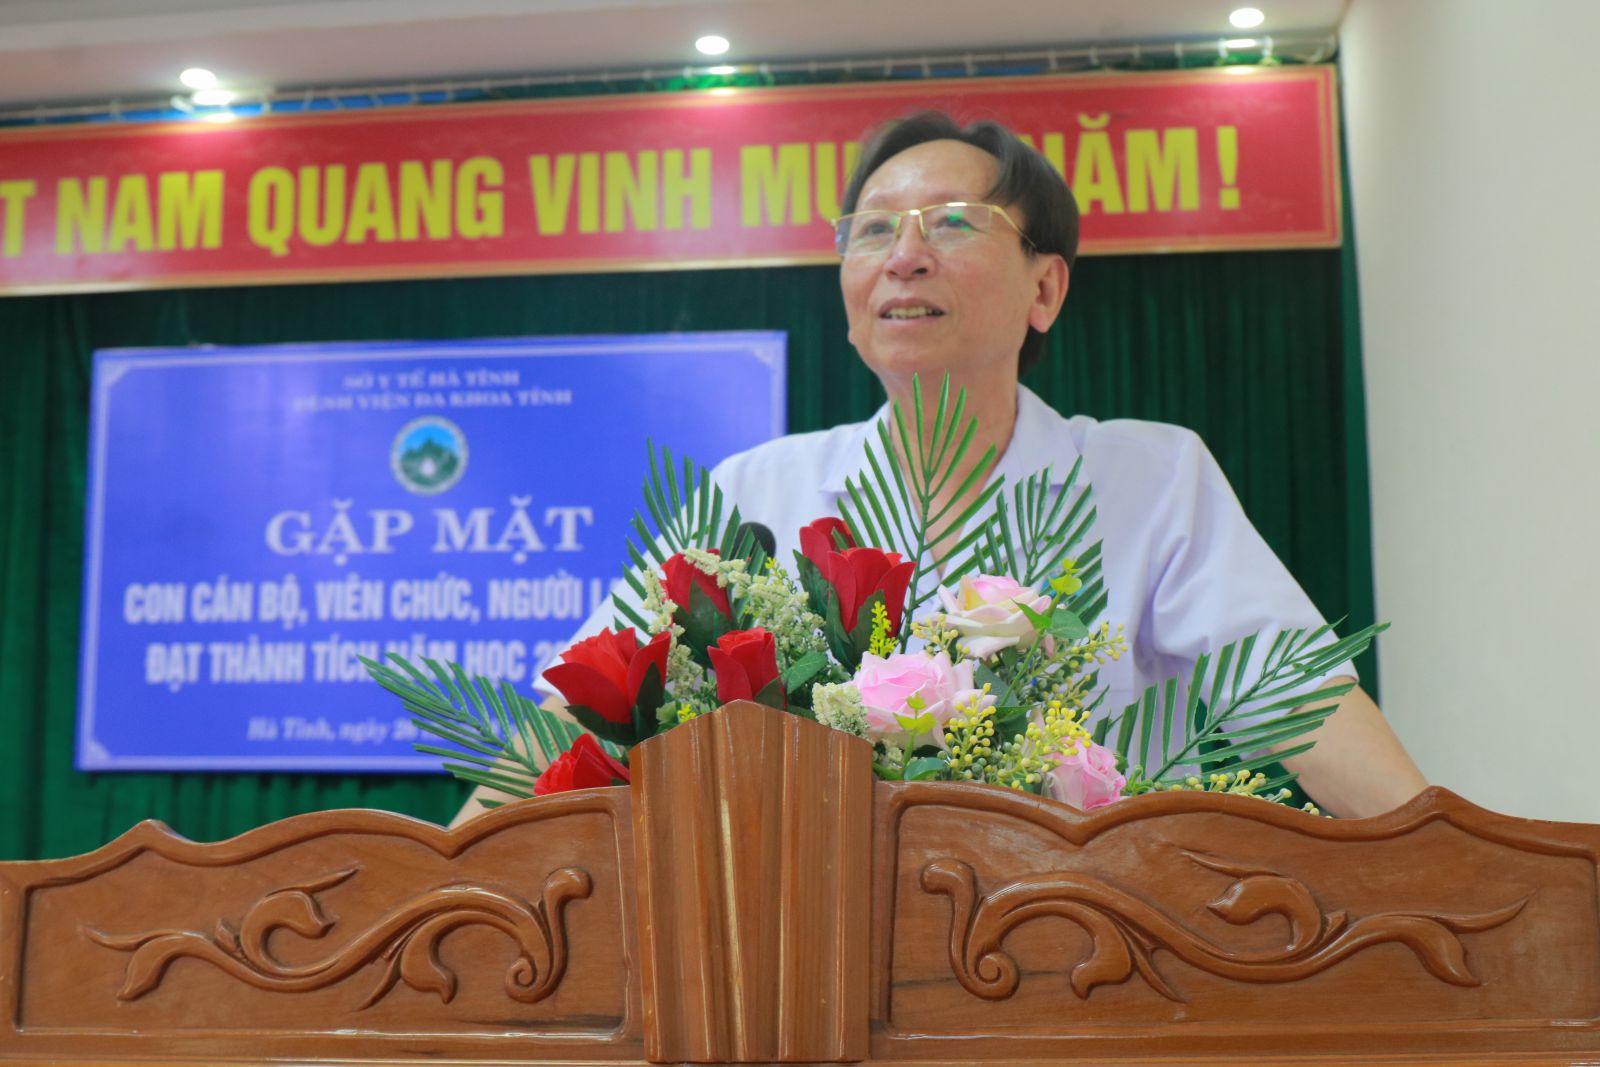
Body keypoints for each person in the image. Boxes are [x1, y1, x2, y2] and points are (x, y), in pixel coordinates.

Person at [454, 111, 1426, 825]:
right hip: (800, 973)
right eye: (873, 229)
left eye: (952, 222)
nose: (904, 255)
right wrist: (435, 893)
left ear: (1045, 288)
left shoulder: (1149, 479)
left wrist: (1455, 882)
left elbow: (1297, 701)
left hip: (1080, 965)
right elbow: (581, 714)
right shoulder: (754, 492)